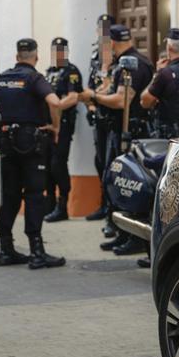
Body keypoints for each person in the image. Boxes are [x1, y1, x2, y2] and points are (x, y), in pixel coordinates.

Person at [0, 38, 79, 269]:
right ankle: (37, 252)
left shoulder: (2, 79)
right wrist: (55, 127)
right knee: (33, 194)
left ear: (16, 56)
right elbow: (54, 102)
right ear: (36, 57)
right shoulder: (34, 78)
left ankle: (6, 250)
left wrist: (2, 117)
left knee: (10, 195)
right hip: (31, 143)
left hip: (7, 143)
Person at [80, 23, 154, 256]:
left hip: (130, 132)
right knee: (119, 180)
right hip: (116, 130)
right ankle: (122, 232)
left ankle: (133, 237)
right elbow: (109, 90)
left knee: (129, 182)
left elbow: (122, 100)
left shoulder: (132, 64)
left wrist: (92, 96)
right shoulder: (121, 63)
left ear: (111, 42)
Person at [43, 37, 83, 222]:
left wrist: (56, 104)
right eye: (55, 51)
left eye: (61, 51)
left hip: (64, 125)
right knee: (47, 165)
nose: (57, 54)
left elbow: (73, 97)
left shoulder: (71, 71)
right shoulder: (50, 71)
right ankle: (49, 203)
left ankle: (62, 205)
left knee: (58, 164)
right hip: (48, 126)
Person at [85, 14, 114, 222]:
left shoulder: (116, 58)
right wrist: (91, 105)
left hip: (112, 117)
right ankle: (103, 203)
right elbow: (88, 87)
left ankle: (112, 207)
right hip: (98, 116)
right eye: (100, 29)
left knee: (111, 163)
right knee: (99, 161)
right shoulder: (95, 57)